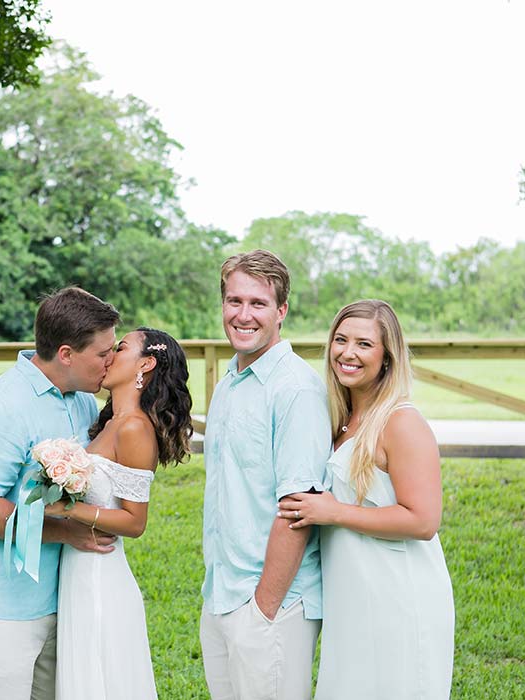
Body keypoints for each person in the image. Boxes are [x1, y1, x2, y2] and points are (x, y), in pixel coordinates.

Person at [277, 300, 454, 699]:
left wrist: (334, 511)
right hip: (351, 600)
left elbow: (423, 520)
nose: (348, 353)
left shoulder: (401, 422)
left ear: (387, 357)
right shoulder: (337, 419)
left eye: (364, 344)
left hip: (399, 598)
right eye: (340, 340)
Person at [0, 286, 120, 700]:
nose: (110, 361)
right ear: (66, 354)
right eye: (103, 354)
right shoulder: (3, 406)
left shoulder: (82, 400)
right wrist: (65, 531)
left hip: (62, 599)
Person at [200, 250, 332, 700]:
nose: (243, 315)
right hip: (220, 593)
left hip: (272, 604)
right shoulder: (228, 384)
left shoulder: (294, 389)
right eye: (234, 301)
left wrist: (264, 608)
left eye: (258, 303)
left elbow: (298, 509)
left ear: (282, 311)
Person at [48, 327, 193, 700]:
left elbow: (134, 521)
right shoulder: (112, 420)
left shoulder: (133, 428)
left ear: (146, 364)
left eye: (121, 347)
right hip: (78, 568)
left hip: (100, 573)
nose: (109, 354)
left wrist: (68, 509)